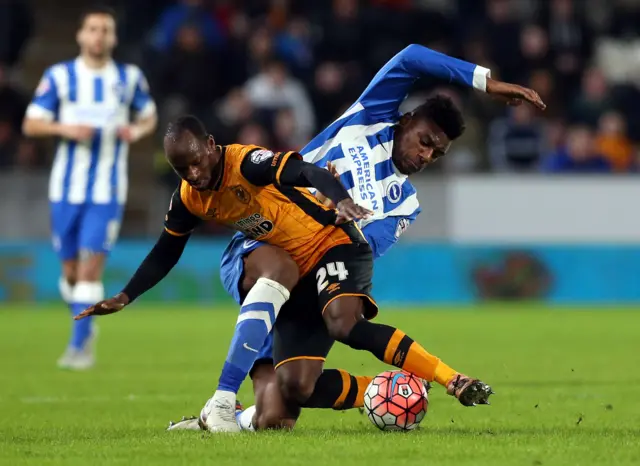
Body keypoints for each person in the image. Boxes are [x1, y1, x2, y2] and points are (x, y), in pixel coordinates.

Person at [168, 44, 545, 432]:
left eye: (438, 153)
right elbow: (412, 56)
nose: (427, 155)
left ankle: (374, 391)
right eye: (425, 140)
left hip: (316, 274)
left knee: (276, 415)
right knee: (272, 278)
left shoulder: (405, 204)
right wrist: (487, 82)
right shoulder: (370, 116)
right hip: (268, 246)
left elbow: (363, 249)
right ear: (408, 119)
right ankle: (223, 398)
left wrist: (338, 227)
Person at [22, 6, 157, 370]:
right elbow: (32, 123)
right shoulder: (61, 76)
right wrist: (65, 130)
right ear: (81, 35)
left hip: (107, 191)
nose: (99, 35)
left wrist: (137, 131)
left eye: (106, 30)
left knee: (89, 272)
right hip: (65, 190)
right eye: (93, 29)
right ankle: (84, 326)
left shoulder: (128, 78)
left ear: (113, 38)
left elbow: (148, 115)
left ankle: (79, 346)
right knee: (68, 272)